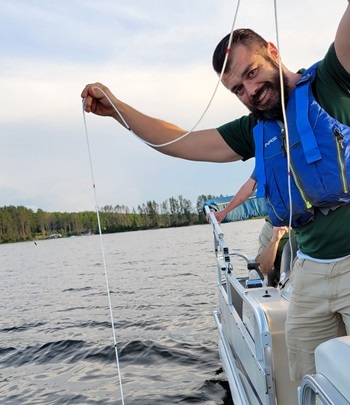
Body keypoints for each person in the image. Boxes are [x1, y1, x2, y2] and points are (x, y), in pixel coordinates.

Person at [82, 2, 350, 381]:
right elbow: (180, 141)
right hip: (309, 273)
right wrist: (119, 110)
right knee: (310, 387)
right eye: (238, 88)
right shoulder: (253, 129)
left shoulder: (334, 80)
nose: (252, 91)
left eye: (253, 73)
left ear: (272, 51)